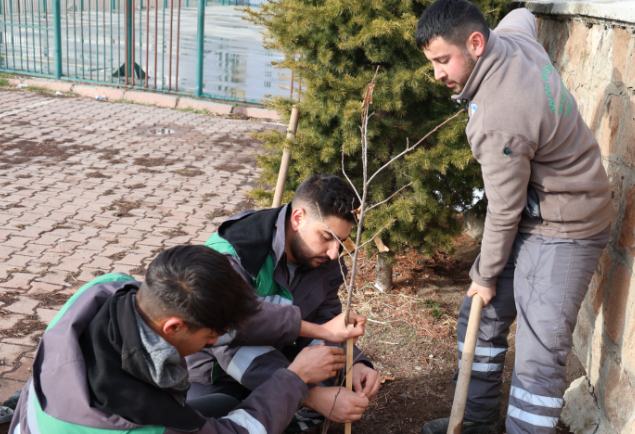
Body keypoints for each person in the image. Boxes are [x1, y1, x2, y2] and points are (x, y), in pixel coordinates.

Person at [415, 2, 613, 434]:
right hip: (537, 208)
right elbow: (523, 14)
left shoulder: (499, 118)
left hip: (568, 226)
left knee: (538, 356)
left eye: (442, 61)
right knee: (479, 315)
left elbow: (503, 210)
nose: (437, 75)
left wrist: (485, 275)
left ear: (476, 43)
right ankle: (478, 422)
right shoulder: (514, 39)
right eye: (431, 63)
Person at [8, 245, 354, 434]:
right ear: (172, 327)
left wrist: (321, 331)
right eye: (210, 337)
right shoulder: (143, 421)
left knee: (220, 403)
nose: (215, 341)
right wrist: (296, 379)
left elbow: (230, 326)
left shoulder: (106, 290)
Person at [187, 174, 382, 431]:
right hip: (215, 372)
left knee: (326, 401)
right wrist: (309, 395)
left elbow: (325, 320)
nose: (334, 252)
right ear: (298, 218)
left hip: (273, 356)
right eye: (326, 236)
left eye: (341, 241)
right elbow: (229, 345)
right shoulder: (238, 253)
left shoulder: (324, 257)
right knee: (216, 419)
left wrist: (353, 364)